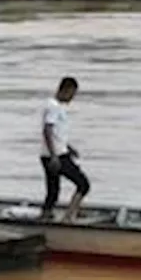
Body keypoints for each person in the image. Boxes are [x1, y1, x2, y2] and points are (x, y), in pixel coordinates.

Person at [41, 76, 90, 223]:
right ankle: (69, 216)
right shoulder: (53, 107)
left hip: (53, 153)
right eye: (72, 94)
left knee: (53, 190)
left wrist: (69, 147)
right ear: (65, 90)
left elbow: (57, 133)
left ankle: (47, 214)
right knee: (83, 184)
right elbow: (47, 130)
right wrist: (54, 155)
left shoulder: (56, 106)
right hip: (56, 156)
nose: (72, 98)